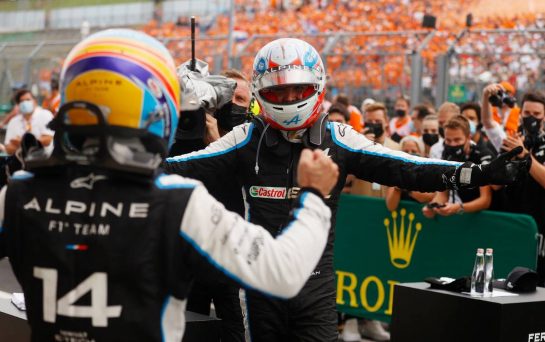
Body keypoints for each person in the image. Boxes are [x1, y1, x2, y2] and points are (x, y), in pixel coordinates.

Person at [164, 38, 528, 342]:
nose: (290, 97)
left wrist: (477, 173)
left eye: (298, 88)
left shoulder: (338, 137)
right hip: (257, 287)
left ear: (317, 85)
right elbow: (180, 166)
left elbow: (409, 168)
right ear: (263, 91)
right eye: (280, 89)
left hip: (317, 289)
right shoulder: (245, 137)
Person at [0, 29, 339, 342]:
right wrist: (313, 196)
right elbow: (284, 272)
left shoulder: (19, 191)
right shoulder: (177, 202)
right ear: (160, 110)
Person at [175, 67, 253, 342]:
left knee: (234, 324)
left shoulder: (252, 136)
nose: (233, 105)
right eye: (227, 98)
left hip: (230, 249)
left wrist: (216, 140)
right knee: (189, 324)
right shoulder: (189, 127)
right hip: (189, 249)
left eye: (241, 99)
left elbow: (241, 176)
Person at [482, 85, 545, 285]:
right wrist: (485, 98)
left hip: (540, 231)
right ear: (520, 114)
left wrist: (525, 156)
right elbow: (488, 123)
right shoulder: (511, 139)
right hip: (512, 225)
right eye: (527, 112)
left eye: (536, 113)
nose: (531, 117)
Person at [423, 115, 494, 218]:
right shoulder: (446, 155)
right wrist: (433, 206)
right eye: (448, 140)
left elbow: (485, 200)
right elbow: (443, 194)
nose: (452, 144)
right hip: (466, 214)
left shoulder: (481, 156)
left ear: (468, 138)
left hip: (490, 218)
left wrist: (458, 207)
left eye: (457, 140)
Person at [386, 136, 435, 212]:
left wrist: (407, 188)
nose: (410, 154)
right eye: (406, 151)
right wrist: (397, 189)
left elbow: (428, 197)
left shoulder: (428, 172)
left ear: (421, 153)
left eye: (414, 151)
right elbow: (391, 207)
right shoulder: (395, 173)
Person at [4, 89, 54, 155]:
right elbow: (8, 148)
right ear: (18, 105)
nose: (25, 103)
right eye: (22, 101)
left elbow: (47, 140)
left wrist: (22, 143)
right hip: (21, 162)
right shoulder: (13, 122)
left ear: (35, 101)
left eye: (28, 100)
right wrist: (33, 143)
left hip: (44, 160)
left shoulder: (45, 115)